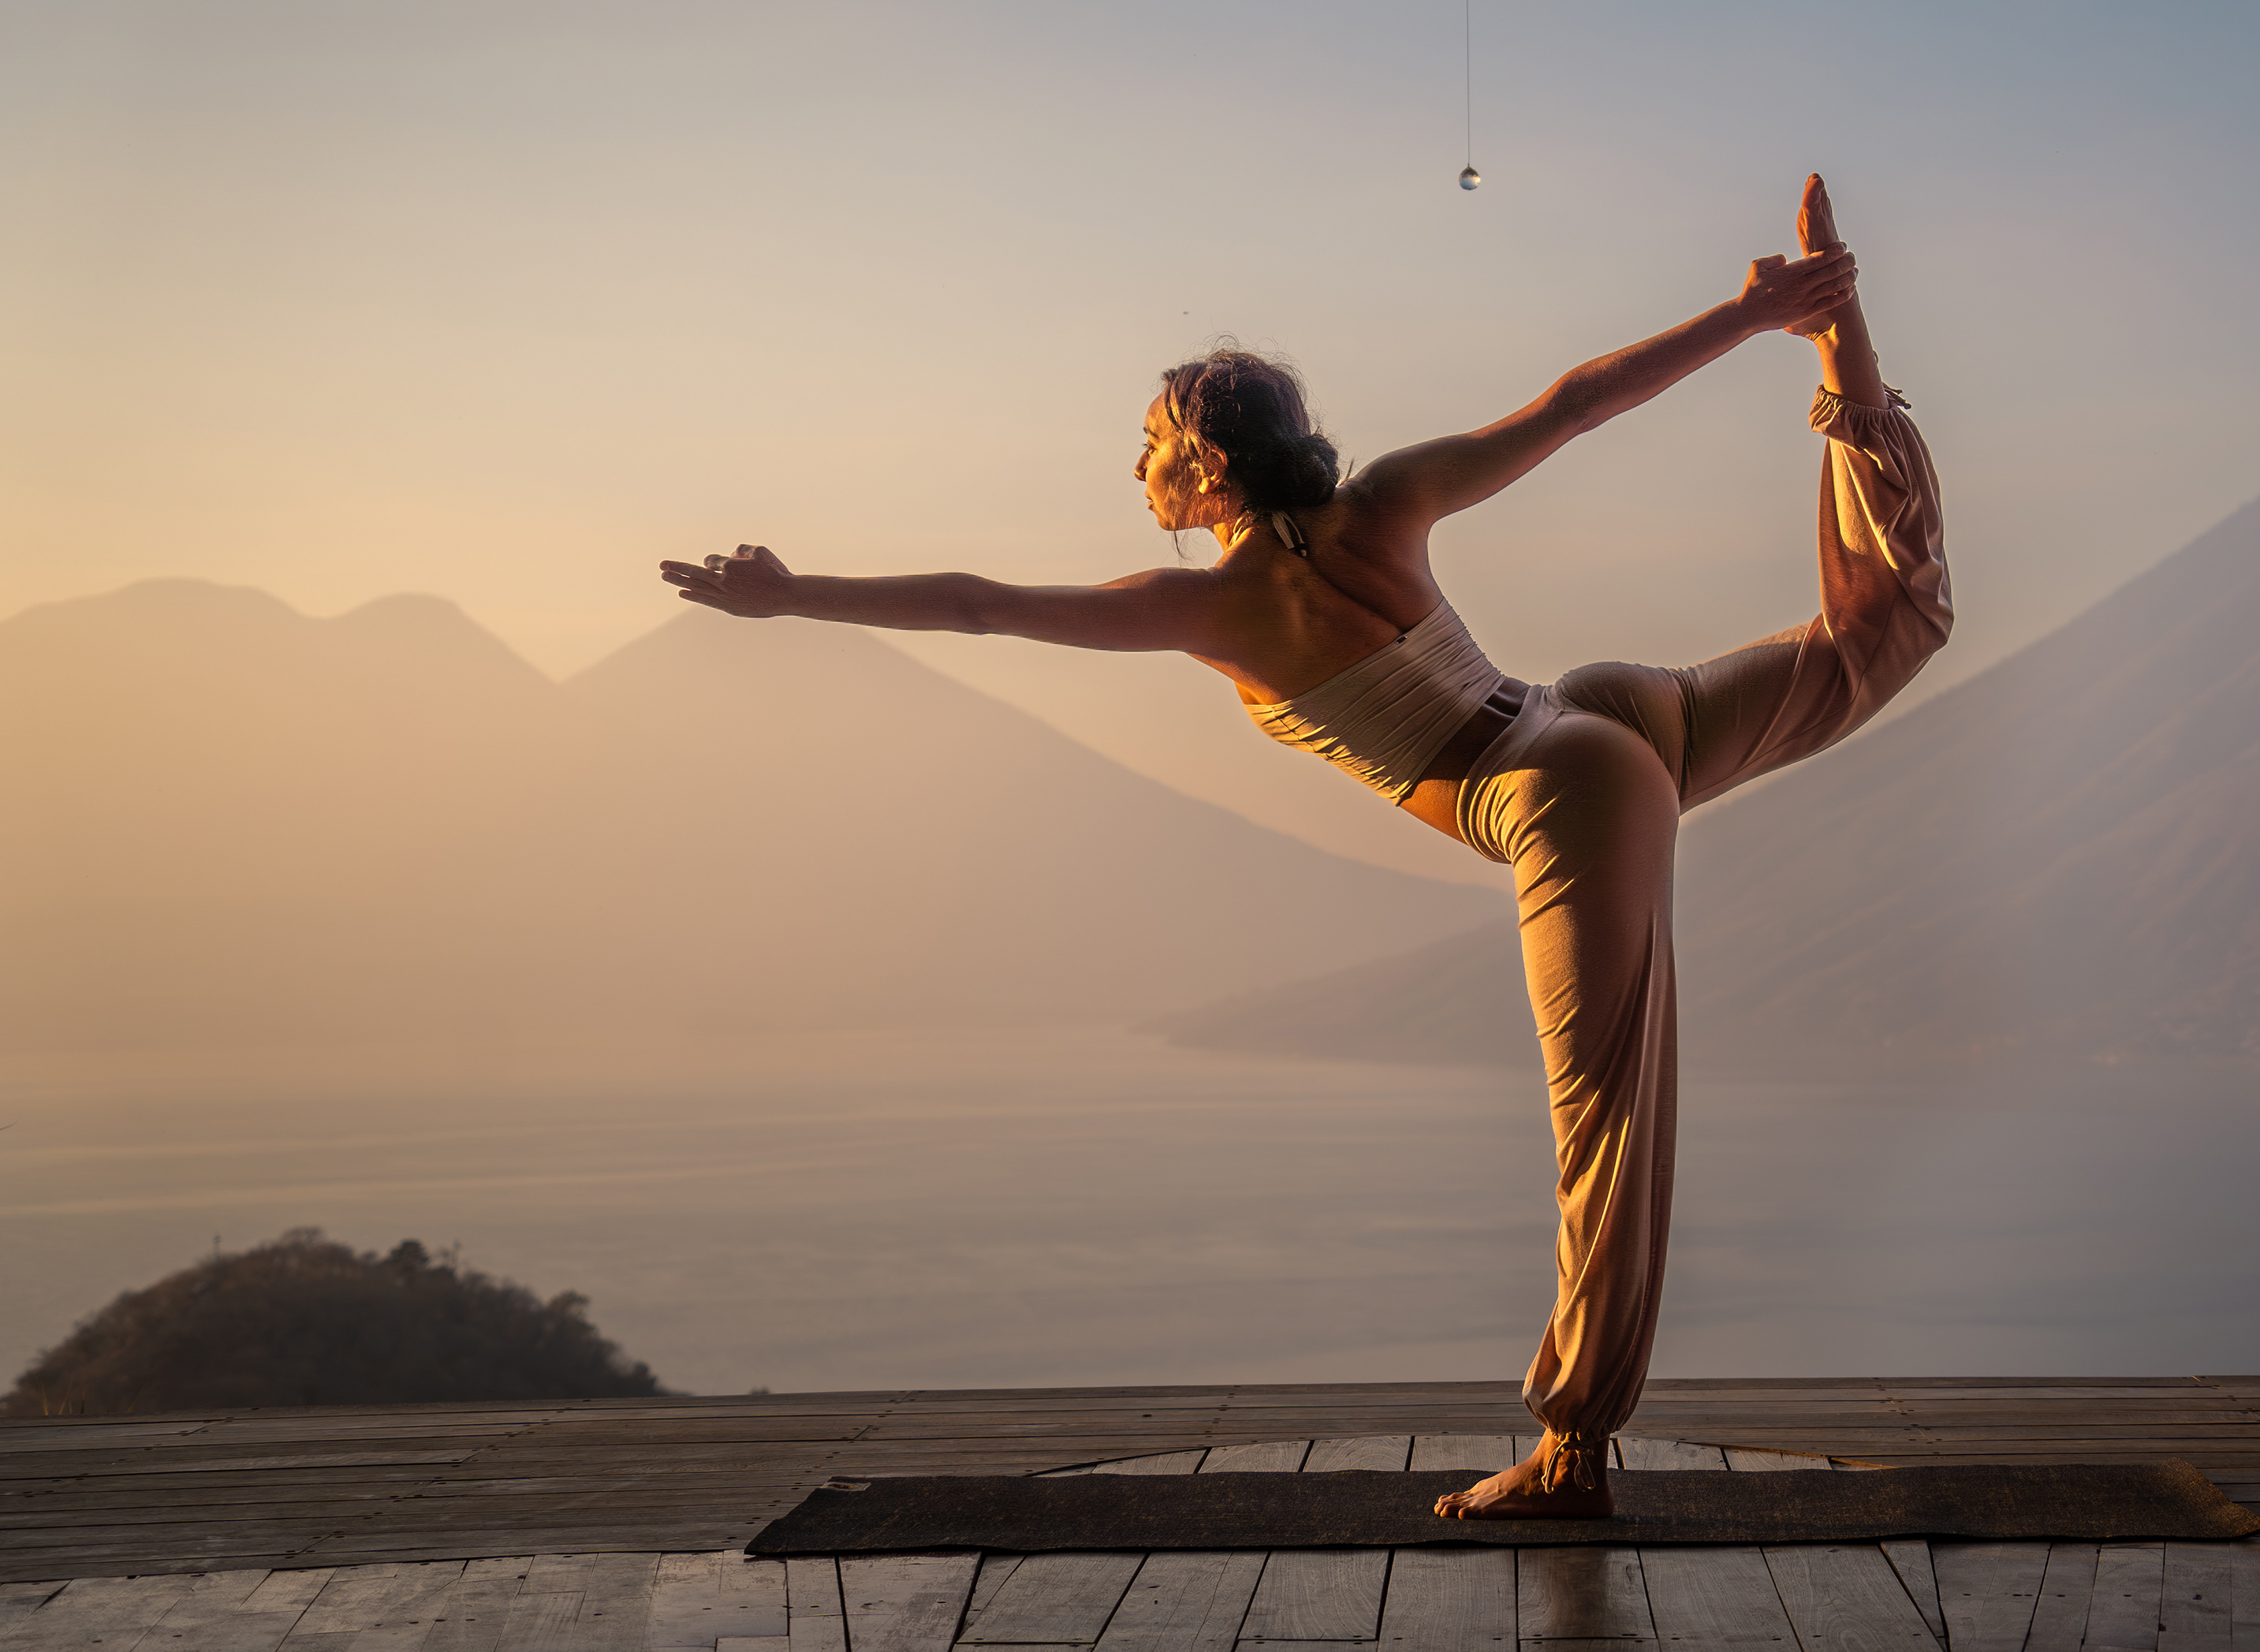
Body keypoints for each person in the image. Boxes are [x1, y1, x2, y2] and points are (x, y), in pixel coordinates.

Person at [659, 174, 1951, 1518]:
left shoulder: (1203, 608)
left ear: (1205, 466)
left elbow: (982, 607)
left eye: (1149, 438)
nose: (1135, 462)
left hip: (1555, 785)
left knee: (1605, 1120)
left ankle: (1571, 1458)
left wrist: (791, 596)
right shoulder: (1385, 503)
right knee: (1873, 639)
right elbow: (1578, 405)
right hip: (1595, 713)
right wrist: (1748, 316)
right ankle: (1839, 345)